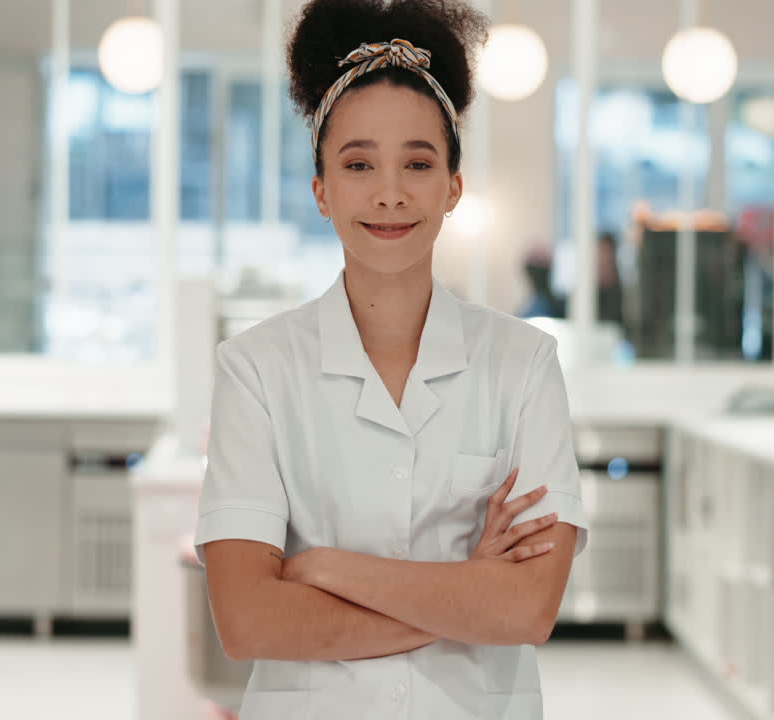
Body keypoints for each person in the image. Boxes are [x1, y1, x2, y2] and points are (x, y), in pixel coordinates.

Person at [192, 2, 590, 718]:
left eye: (417, 162)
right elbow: (248, 623)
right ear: (321, 191)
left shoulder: (524, 365)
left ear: (452, 189)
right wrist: (465, 591)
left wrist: (325, 571)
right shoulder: (256, 369)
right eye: (357, 164)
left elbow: (529, 611)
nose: (389, 192)